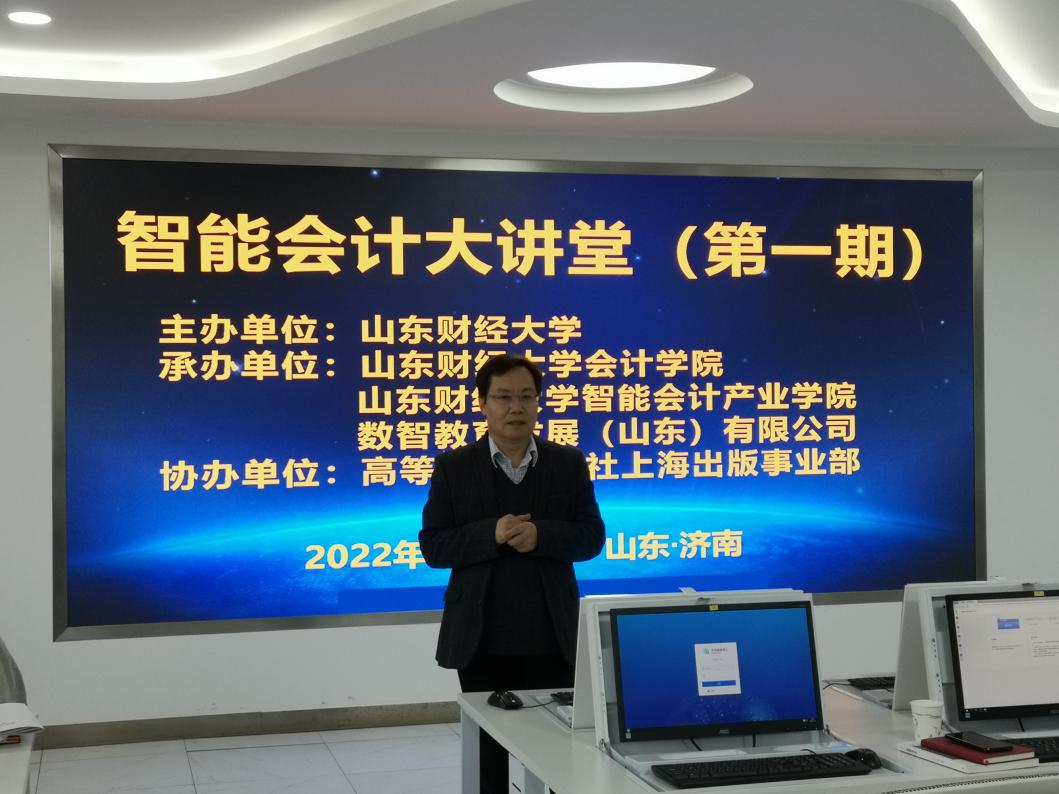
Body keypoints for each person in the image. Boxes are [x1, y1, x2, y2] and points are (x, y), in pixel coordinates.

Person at [420, 353, 605, 793]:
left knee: (561, 754)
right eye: (503, 397)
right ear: (483, 403)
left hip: (553, 636)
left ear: (538, 402)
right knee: (489, 758)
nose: (516, 407)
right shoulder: (454, 467)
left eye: (526, 396)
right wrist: (492, 534)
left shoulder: (567, 463)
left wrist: (542, 535)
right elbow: (434, 547)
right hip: (481, 638)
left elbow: (591, 537)